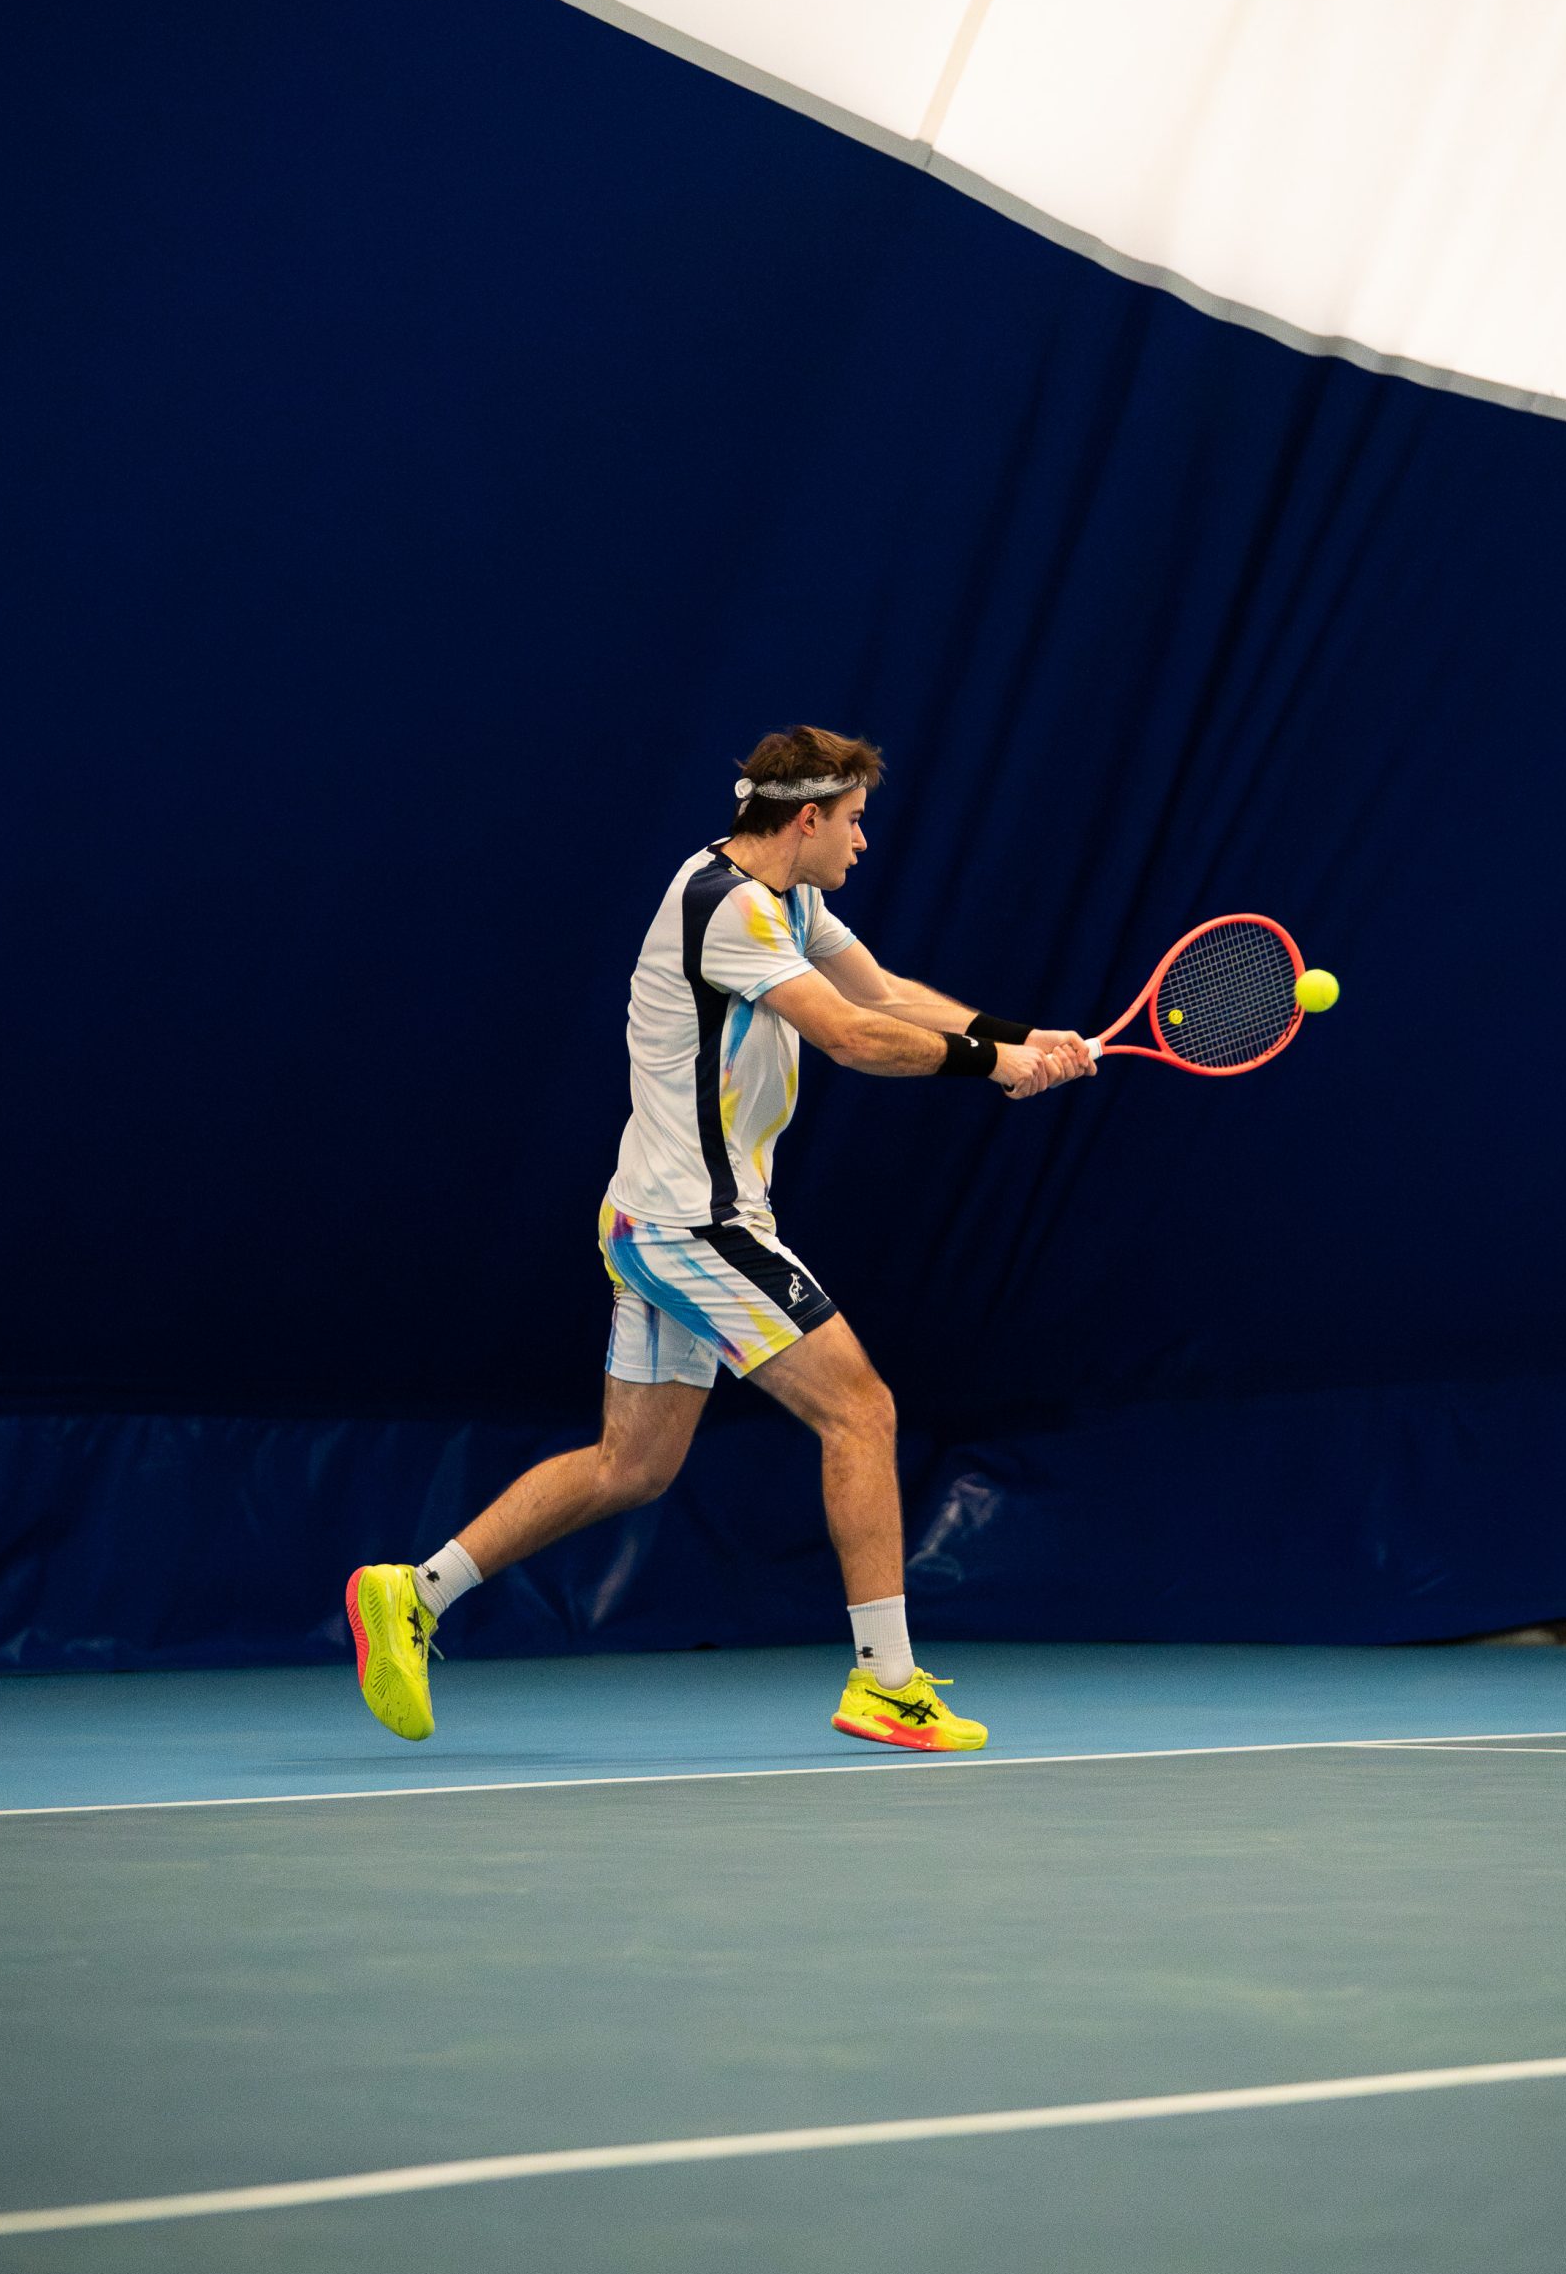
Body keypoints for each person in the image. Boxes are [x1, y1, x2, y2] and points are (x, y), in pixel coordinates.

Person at [346, 725, 1094, 1751]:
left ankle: (413, 1592)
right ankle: (886, 1681)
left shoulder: (788, 897)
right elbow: (850, 1036)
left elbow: (880, 992)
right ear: (806, 819)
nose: (862, 841)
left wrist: (1016, 1037)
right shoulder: (726, 906)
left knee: (631, 1466)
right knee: (860, 1409)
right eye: (853, 821)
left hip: (652, 1216)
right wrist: (987, 1067)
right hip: (695, 1222)